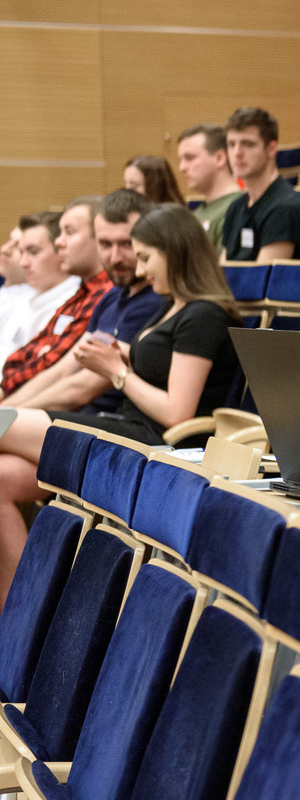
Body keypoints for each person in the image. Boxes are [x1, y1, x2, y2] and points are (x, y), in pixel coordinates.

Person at [0, 204, 244, 604]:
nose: (141, 269)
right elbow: (159, 364)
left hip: (150, 441)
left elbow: (177, 413)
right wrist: (122, 355)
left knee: (3, 424)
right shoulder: (173, 304)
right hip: (126, 425)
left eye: (146, 257)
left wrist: (117, 372)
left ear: (173, 252)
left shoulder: (205, 315)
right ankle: (15, 608)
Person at [3, 190, 164, 413]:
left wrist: (10, 416)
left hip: (107, 421)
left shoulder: (153, 302)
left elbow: (81, 389)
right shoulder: (111, 297)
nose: (115, 257)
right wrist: (7, 411)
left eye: (126, 244)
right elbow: (63, 369)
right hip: (73, 415)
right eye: (105, 244)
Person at [0, 198, 111, 399]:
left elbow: (59, 372)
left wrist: (7, 409)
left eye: (70, 232)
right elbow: (28, 357)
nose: (60, 242)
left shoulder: (106, 296)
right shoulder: (82, 293)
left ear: (99, 239)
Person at [218, 107, 300, 262]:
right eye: (231, 144)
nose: (237, 153)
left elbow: (263, 275)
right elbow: (222, 269)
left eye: (248, 144)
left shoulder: (286, 208)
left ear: (271, 149)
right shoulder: (236, 207)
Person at [0, 216, 77, 362]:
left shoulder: (72, 304)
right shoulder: (28, 296)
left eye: (33, 252)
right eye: (22, 252)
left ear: (61, 250)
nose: (23, 263)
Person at [175, 122, 243, 248]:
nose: (182, 168)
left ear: (219, 158)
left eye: (190, 158)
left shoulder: (240, 208)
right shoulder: (197, 213)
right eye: (181, 160)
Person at [0, 228, 38, 358]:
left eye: (19, 247)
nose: (5, 249)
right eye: (9, 241)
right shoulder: (6, 291)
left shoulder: (33, 305)